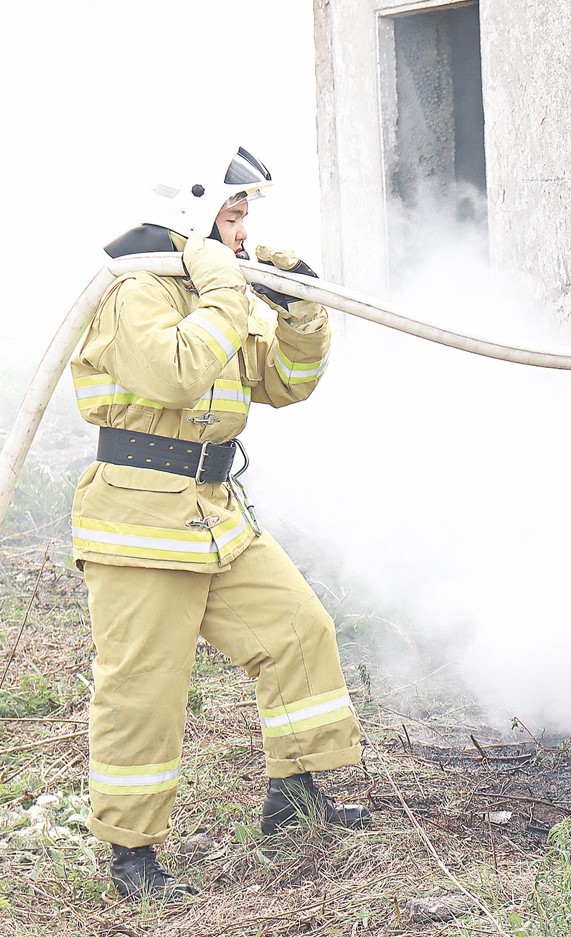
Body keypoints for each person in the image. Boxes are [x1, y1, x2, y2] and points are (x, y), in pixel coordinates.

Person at [71, 145, 369, 901]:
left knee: (298, 631)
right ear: (191, 214)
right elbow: (173, 371)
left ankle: (293, 795)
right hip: (140, 522)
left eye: (243, 218)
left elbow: (283, 382)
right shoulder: (137, 289)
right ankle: (133, 858)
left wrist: (300, 311)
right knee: (144, 690)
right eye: (233, 216)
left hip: (211, 515)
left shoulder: (209, 288)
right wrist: (225, 289)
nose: (243, 232)